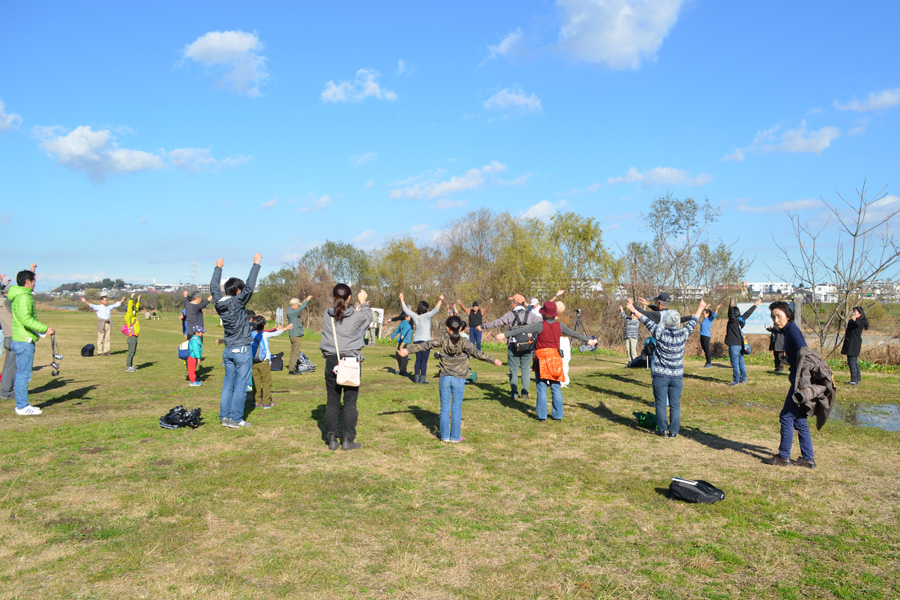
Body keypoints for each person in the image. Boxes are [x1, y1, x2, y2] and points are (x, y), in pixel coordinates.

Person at [399, 315, 503, 442]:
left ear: (447, 328)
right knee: (456, 408)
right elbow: (478, 353)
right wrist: (494, 360)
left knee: (445, 408)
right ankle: (454, 437)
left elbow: (426, 345)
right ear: (460, 328)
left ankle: (444, 436)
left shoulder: (443, 340)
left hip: (444, 378)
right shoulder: (465, 342)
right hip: (459, 379)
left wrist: (408, 351)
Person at [499, 301, 595, 420]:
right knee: (555, 387)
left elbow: (521, 330)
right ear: (554, 314)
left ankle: (542, 415)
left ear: (543, 314)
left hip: (541, 359)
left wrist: (505, 334)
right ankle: (558, 415)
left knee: (542, 387)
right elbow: (574, 333)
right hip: (555, 359)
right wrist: (587, 340)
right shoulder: (559, 326)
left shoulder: (539, 325)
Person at [627, 297, 705, 437]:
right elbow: (693, 322)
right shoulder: (683, 334)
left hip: (660, 375)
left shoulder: (660, 332)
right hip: (676, 376)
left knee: (660, 403)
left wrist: (634, 310)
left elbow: (646, 321)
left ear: (667, 322)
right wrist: (700, 308)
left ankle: (662, 430)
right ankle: (674, 432)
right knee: (675, 404)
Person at [211, 253, 261, 429]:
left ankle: (225, 417)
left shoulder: (219, 302)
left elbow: (213, 289)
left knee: (227, 385)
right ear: (238, 292)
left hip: (228, 350)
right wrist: (256, 264)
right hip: (242, 350)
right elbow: (250, 287)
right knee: (240, 385)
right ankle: (236, 419)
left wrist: (218, 268)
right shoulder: (237, 302)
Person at [763, 301, 815, 468]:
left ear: (788, 315)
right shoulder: (787, 330)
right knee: (799, 419)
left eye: (779, 316)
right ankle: (808, 459)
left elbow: (804, 352)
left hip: (800, 382)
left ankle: (784, 456)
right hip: (798, 380)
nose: (776, 319)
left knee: (786, 417)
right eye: (773, 316)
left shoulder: (792, 331)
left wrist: (801, 382)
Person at [320, 284, 371, 451]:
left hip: (331, 361)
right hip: (350, 362)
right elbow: (368, 319)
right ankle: (348, 440)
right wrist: (363, 303)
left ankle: (332, 439)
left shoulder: (326, 316)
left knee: (332, 402)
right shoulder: (356, 317)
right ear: (349, 298)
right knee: (349, 403)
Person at [9, 267, 54, 416]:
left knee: (22, 373)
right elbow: (26, 319)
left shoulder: (20, 294)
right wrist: (45, 328)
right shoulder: (24, 297)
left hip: (20, 339)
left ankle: (21, 405)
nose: (35, 283)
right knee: (24, 375)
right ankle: (22, 406)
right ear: (27, 282)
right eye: (34, 281)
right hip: (24, 341)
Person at [484, 294, 541, 400]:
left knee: (513, 370)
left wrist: (483, 326)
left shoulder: (509, 315)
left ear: (515, 303)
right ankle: (525, 393)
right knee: (525, 370)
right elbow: (542, 323)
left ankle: (514, 393)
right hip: (528, 345)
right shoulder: (530, 314)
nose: (511, 303)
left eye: (512, 302)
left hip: (513, 345)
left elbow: (497, 322)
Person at [399, 293, 443, 384]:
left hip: (416, 341)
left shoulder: (415, 316)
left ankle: (416, 378)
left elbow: (405, 309)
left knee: (418, 360)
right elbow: (436, 309)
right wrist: (440, 300)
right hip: (426, 341)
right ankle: (422, 379)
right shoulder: (427, 316)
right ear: (426, 309)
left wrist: (402, 299)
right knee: (424, 361)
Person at [250, 315, 290, 409]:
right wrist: (285, 328)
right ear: (264, 326)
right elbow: (275, 334)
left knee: (256, 381)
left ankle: (257, 401)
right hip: (264, 361)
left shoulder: (251, 334)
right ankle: (266, 402)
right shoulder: (264, 334)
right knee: (266, 382)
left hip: (253, 361)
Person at [725, 298, 761, 385]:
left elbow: (731, 314)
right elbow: (747, 313)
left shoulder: (733, 321)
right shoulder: (741, 320)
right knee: (741, 363)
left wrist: (731, 306)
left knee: (735, 364)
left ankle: (736, 381)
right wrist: (755, 305)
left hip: (733, 345)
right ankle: (743, 380)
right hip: (740, 345)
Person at [0, 276, 18, 400]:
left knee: (8, 365)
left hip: (7, 335)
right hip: (14, 336)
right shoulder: (7, 302)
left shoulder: (1, 301)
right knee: (12, 366)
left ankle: (5, 390)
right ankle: (6, 392)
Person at [841, 306, 868, 386]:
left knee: (852, 362)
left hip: (854, 344)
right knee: (854, 362)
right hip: (850, 343)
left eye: (855, 312)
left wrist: (854, 319)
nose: (853, 313)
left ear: (860, 314)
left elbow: (858, 324)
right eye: (853, 311)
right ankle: (857, 379)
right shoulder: (852, 321)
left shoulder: (860, 321)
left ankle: (854, 380)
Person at [286, 295, 312, 375]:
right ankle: (292, 370)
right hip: (295, 335)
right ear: (294, 305)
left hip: (294, 334)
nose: (298, 306)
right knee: (295, 353)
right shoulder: (292, 312)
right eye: (297, 305)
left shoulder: (290, 311)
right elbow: (301, 308)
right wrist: (306, 300)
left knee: (294, 352)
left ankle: (292, 367)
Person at [698, 303, 721, 368]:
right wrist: (706, 307)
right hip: (702, 336)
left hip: (706, 336)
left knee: (707, 350)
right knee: (705, 349)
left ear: (708, 314)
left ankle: (709, 363)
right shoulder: (705, 319)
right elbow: (706, 311)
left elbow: (714, 314)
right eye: (703, 313)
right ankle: (707, 362)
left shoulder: (710, 319)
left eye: (704, 313)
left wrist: (717, 307)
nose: (703, 314)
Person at [123, 293, 141, 372]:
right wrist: (131, 298)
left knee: (133, 352)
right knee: (131, 352)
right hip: (131, 337)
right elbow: (130, 308)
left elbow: (136, 309)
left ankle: (130, 365)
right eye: (132, 310)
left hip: (135, 337)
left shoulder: (134, 317)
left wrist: (138, 301)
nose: (134, 311)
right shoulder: (129, 317)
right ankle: (128, 366)